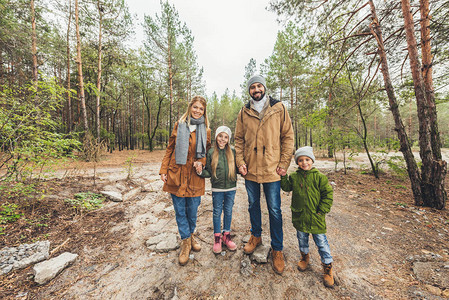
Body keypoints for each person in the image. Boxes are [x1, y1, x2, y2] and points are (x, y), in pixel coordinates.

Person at [234, 74, 294, 274]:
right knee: (252, 205)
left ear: (264, 88)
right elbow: (239, 139)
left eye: (259, 86)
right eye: (253, 87)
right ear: (249, 90)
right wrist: (240, 162)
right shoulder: (244, 111)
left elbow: (287, 137)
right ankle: (256, 236)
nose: (256, 90)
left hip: (272, 168)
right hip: (250, 169)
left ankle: (277, 249)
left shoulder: (278, 108)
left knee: (275, 210)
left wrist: (284, 162)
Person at [159, 96, 211, 266]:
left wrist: (201, 163)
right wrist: (163, 170)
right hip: (177, 174)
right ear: (190, 108)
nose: (197, 110)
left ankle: (191, 234)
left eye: (201, 109)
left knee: (192, 210)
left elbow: (207, 154)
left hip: (195, 176)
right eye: (195, 107)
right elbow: (170, 148)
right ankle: (186, 242)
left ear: (204, 111)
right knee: (180, 211)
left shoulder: (207, 130)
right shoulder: (179, 125)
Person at [280, 146, 334, 287]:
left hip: (316, 217)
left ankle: (327, 267)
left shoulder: (319, 177)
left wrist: (322, 210)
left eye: (307, 159)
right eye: (301, 160)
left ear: (312, 160)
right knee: (302, 239)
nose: (304, 163)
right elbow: (286, 187)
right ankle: (304, 257)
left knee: (321, 242)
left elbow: (328, 195)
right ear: (297, 162)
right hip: (300, 215)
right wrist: (283, 175)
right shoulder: (295, 177)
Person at [196, 126, 238, 254]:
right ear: (216, 137)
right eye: (220, 136)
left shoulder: (233, 151)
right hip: (217, 188)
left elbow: (238, 167)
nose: (222, 139)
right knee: (217, 212)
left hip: (231, 187)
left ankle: (226, 235)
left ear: (228, 139)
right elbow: (208, 171)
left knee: (228, 211)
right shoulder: (211, 152)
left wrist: (244, 169)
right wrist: (200, 172)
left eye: (225, 137)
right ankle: (217, 237)